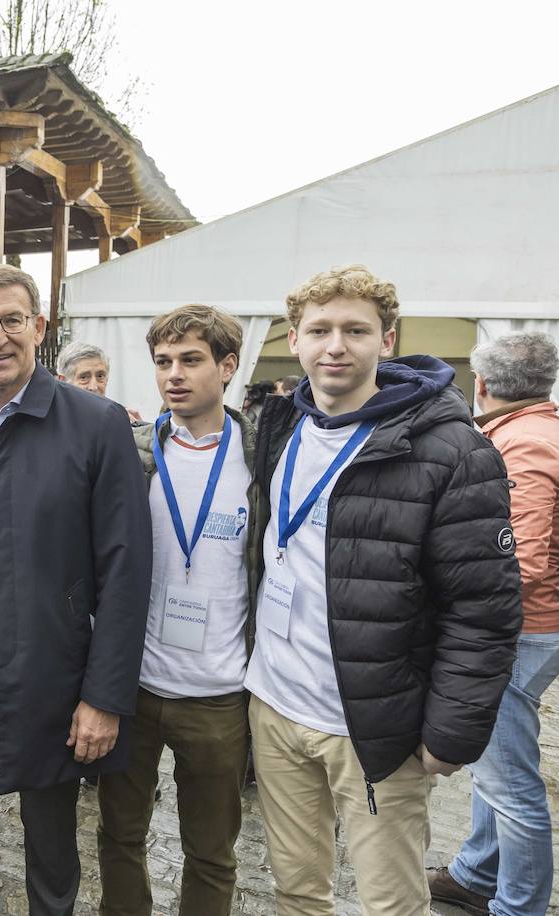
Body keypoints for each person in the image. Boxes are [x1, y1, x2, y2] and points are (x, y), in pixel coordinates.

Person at [246, 265, 522, 916]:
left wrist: (451, 733)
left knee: (390, 901)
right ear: (294, 338)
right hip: (276, 708)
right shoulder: (284, 425)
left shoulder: (452, 449)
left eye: (355, 329)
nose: (335, 345)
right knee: (296, 891)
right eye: (319, 329)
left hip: (374, 728)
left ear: (387, 341)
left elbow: (483, 610)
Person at [0, 264, 152, 916]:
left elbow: (127, 569)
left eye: (11, 320)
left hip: (54, 667)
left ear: (38, 328)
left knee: (51, 849)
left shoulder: (97, 424)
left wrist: (104, 697)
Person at [97, 304, 260, 916]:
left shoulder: (262, 460)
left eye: (191, 360)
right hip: (131, 689)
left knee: (212, 852)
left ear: (227, 366)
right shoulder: (132, 454)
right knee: (119, 836)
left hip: (219, 694)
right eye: (163, 361)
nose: (174, 374)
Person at [429, 332, 559, 916]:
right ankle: (475, 874)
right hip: (536, 622)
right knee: (495, 760)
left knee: (509, 780)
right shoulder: (540, 431)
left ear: (481, 384)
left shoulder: (523, 444)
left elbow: (521, 560)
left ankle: (519, 907)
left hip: (517, 626)